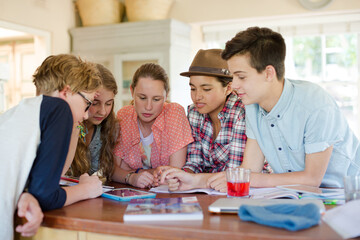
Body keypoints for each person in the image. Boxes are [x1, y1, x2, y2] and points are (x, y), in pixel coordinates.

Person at [221, 26, 360, 188]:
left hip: (346, 195)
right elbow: (250, 170)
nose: (234, 85)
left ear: (268, 73)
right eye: (232, 76)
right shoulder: (252, 105)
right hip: (296, 195)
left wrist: (255, 179)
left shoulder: (315, 104)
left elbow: (312, 179)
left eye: (241, 76)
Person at [0, 54, 103, 240]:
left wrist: (26, 195)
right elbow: (45, 195)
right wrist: (87, 189)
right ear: (65, 92)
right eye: (87, 104)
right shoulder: (59, 108)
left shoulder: (19, 112)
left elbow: (35, 184)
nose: (86, 115)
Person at [157, 49, 247, 192]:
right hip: (208, 190)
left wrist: (196, 180)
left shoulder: (242, 112)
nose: (197, 96)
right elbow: (195, 162)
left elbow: (233, 173)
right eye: (193, 89)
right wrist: (179, 175)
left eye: (206, 89)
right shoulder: (194, 113)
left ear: (228, 88)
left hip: (243, 192)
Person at [112, 63, 194, 188]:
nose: (148, 107)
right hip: (133, 194)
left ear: (166, 96)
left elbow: (174, 175)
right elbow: (112, 170)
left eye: (156, 99)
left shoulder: (174, 113)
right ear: (132, 91)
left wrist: (133, 171)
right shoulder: (124, 115)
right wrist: (131, 177)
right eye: (142, 97)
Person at [67, 63, 118, 181]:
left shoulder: (109, 127)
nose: (103, 111)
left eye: (109, 103)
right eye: (95, 103)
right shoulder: (68, 126)